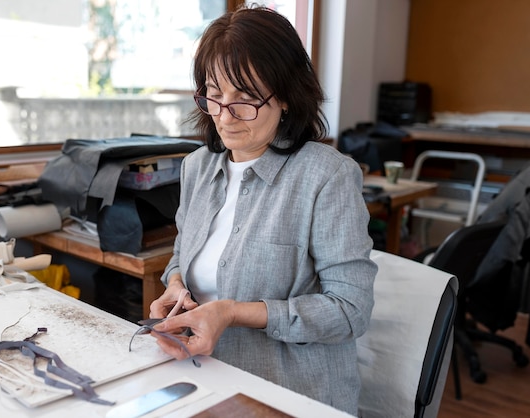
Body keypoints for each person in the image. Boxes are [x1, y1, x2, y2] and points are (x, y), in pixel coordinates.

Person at [147, 5, 377, 415]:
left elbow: (350, 311)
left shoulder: (327, 177)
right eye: (214, 96)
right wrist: (176, 286)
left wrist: (232, 312)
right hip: (206, 376)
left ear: (286, 97)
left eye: (246, 99)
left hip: (292, 394)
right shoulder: (197, 168)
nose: (225, 116)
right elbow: (183, 255)